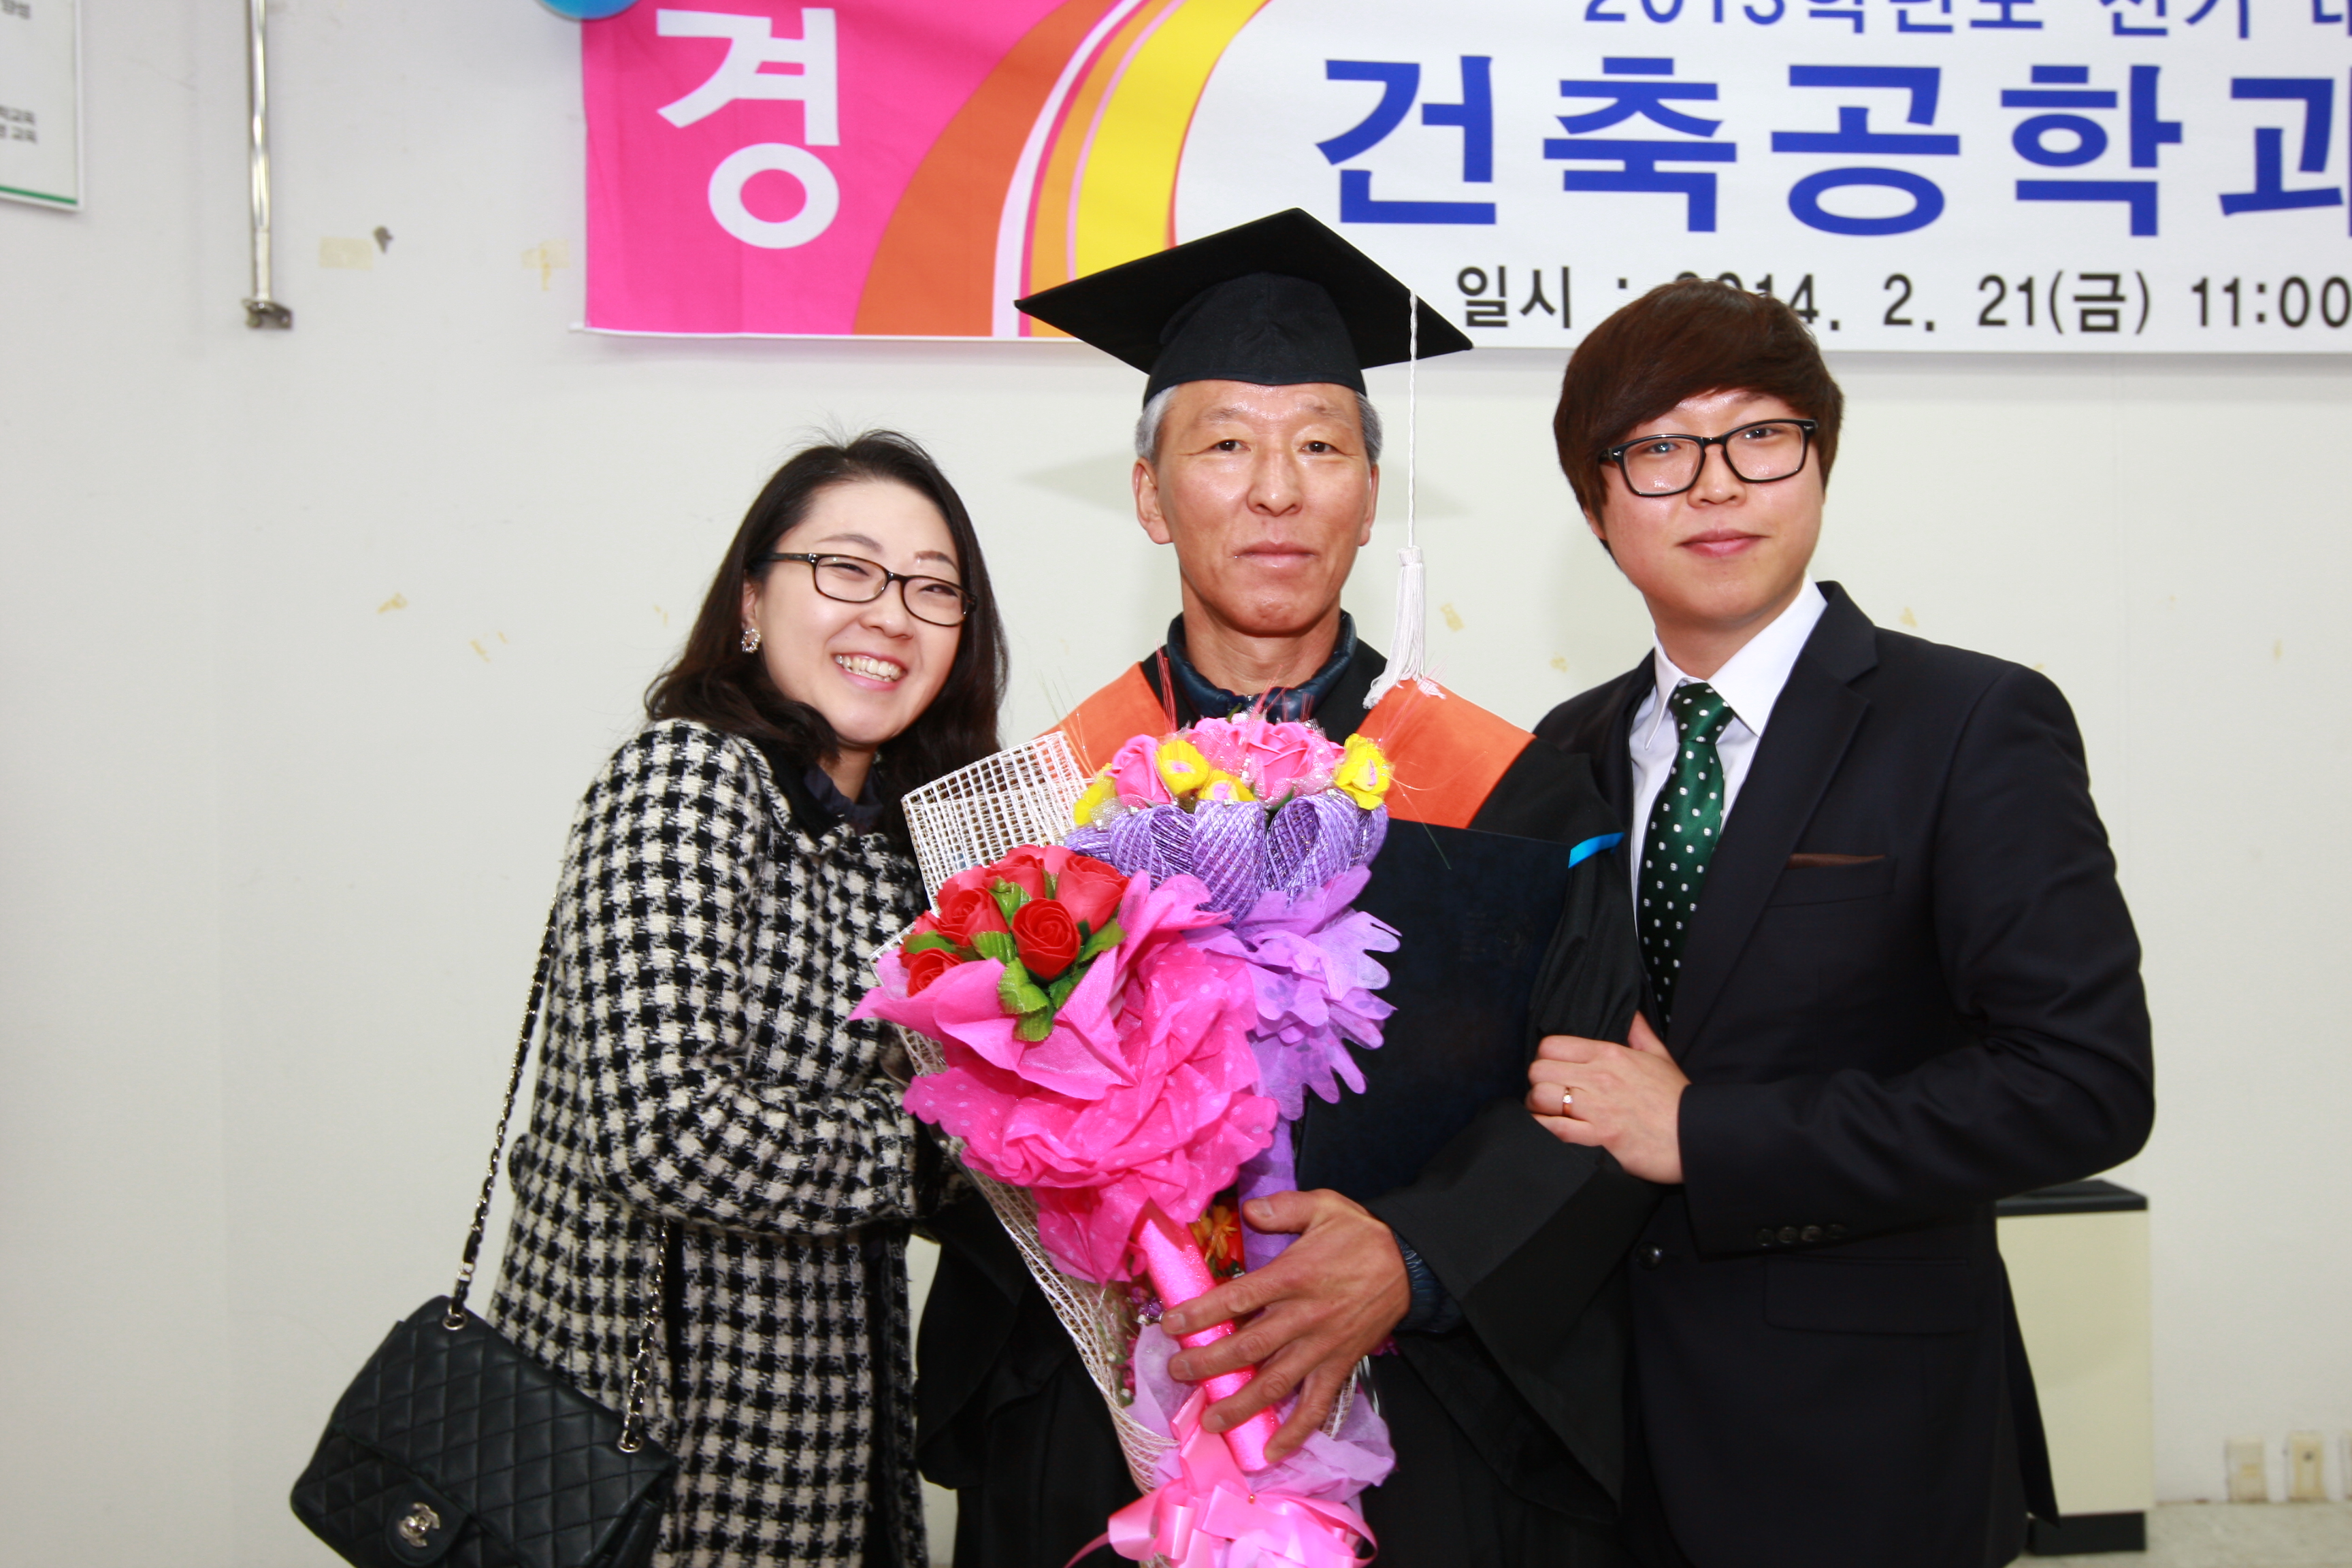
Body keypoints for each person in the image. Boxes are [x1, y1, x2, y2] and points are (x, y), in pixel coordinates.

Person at [918, 210, 1654, 1568]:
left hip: (1430, 1422)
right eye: (1224, 446)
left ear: (1369, 495)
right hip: (1106, 1422)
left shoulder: (1519, 798)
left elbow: (1600, 1099)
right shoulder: (1042, 805)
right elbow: (965, 1141)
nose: (1276, 490)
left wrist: (1416, 1257)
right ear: (1152, 497)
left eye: (1320, 446)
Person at [1529, 280, 2155, 1568]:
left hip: (1869, 1444)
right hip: (1600, 1443)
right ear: (1596, 505)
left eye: (1761, 436)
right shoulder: (1564, 752)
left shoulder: (1971, 725)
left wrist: (1705, 1133)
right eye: (1660, 449)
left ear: (1819, 463)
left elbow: (2084, 1086)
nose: (1717, 484)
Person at [489, 431, 1007, 1568]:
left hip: (829, 1434)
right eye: (846, 569)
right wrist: (940, 1152)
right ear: (751, 603)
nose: (890, 614)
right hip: (657, 1449)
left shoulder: (896, 849)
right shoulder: (687, 776)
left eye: (932, 587)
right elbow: (664, 1133)